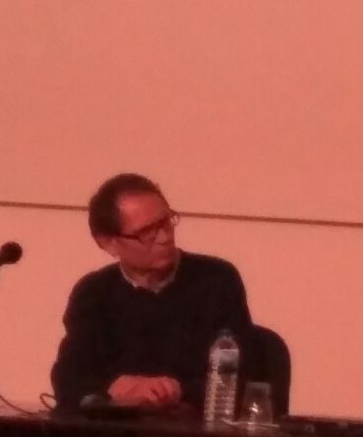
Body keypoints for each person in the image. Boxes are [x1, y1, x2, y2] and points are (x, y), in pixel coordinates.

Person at [50, 173, 259, 411]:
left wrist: (176, 390)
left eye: (166, 221)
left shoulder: (216, 280)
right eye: (147, 231)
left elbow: (243, 374)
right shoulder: (93, 292)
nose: (164, 237)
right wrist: (112, 388)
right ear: (108, 243)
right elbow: (67, 379)